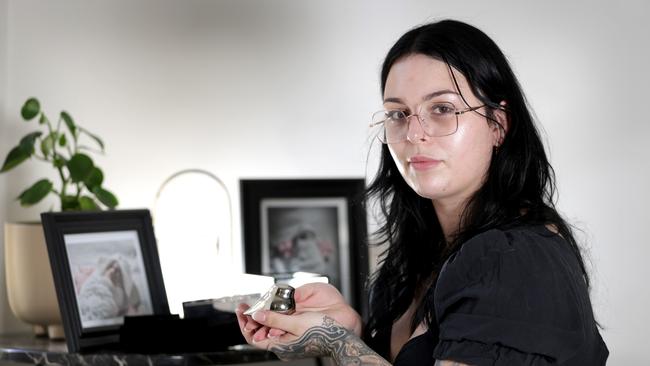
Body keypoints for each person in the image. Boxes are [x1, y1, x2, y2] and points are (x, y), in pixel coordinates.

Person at [235, 19, 609, 365]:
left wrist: (337, 343)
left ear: (498, 124)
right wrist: (352, 331)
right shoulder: (413, 264)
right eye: (398, 114)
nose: (414, 134)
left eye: (442, 108)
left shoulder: (510, 259)